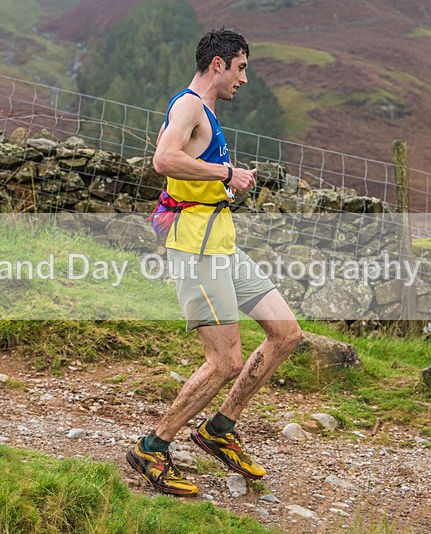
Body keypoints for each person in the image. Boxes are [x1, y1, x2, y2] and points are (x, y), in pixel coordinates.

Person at [126, 27, 303, 496]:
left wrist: (221, 183)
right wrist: (226, 172)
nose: (244, 79)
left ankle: (219, 428)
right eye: (241, 67)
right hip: (196, 251)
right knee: (225, 360)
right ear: (219, 64)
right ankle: (152, 447)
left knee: (286, 333)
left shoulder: (205, 111)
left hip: (222, 244)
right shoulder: (188, 105)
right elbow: (163, 159)